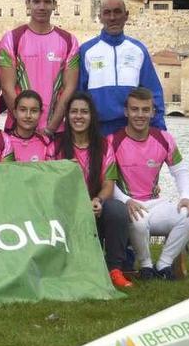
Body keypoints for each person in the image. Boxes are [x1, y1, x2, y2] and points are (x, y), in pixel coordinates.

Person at [111, 88, 189, 280]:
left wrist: (185, 196)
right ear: (126, 111)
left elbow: (180, 171)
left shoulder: (164, 138)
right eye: (135, 109)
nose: (140, 115)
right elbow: (107, 181)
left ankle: (164, 265)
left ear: (153, 112)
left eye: (145, 109)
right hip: (129, 205)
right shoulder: (113, 141)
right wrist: (125, 200)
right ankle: (146, 266)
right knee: (139, 221)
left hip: (154, 204)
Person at [52, 92, 131, 288]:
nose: (78, 116)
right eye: (74, 112)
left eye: (84, 112)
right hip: (66, 208)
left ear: (92, 116)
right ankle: (65, 268)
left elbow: (109, 184)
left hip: (94, 207)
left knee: (118, 210)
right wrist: (63, 171)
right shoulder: (55, 145)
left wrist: (98, 201)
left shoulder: (104, 145)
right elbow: (50, 182)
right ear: (67, 116)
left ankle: (114, 269)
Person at [0, 0, 80, 135]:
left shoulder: (70, 41)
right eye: (36, 2)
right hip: (18, 131)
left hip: (55, 131)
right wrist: (25, 127)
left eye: (47, 2)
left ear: (55, 5)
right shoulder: (11, 39)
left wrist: (51, 128)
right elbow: (7, 88)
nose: (42, 7)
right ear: (27, 3)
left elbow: (69, 88)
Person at [79, 0, 166, 136]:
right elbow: (78, 94)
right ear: (100, 17)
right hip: (97, 133)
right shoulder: (86, 51)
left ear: (126, 16)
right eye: (107, 13)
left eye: (117, 12)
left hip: (132, 132)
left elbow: (153, 93)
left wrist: (160, 132)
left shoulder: (138, 50)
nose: (112, 17)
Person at [7, 90, 53, 162]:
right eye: (23, 110)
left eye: (34, 111)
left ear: (40, 114)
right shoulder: (5, 141)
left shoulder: (46, 142)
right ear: (15, 113)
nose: (28, 115)